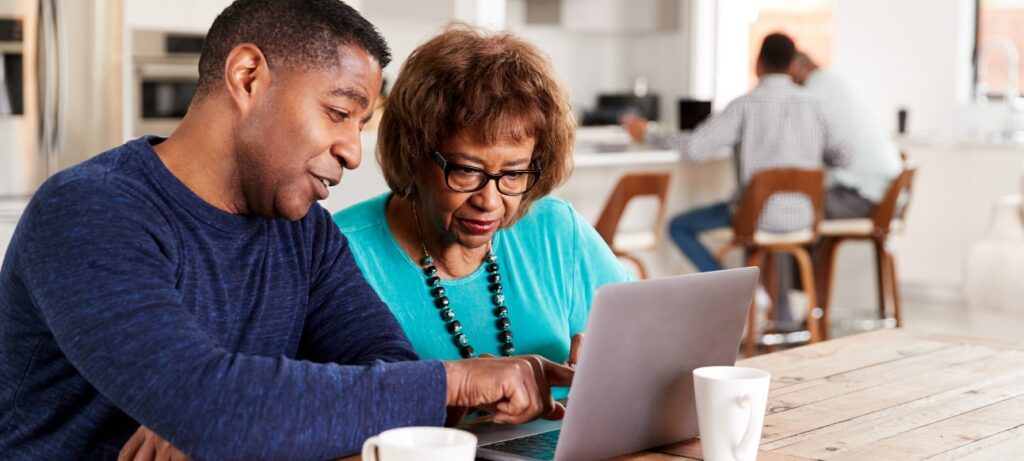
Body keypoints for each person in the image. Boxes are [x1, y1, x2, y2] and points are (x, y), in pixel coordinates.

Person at [0, 1, 572, 459]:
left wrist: (254, 416)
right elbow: (207, 405)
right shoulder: (89, 210)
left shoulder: (305, 234)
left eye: (362, 123)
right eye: (338, 112)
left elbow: (393, 373)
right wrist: (453, 381)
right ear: (248, 77)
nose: (352, 152)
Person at [332, 25, 632, 387]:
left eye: (514, 173)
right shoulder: (339, 252)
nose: (489, 201)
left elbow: (650, 339)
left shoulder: (557, 230)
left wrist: (620, 359)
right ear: (414, 154)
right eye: (467, 171)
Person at [622, 33, 850, 321]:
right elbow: (845, 156)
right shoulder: (816, 105)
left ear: (758, 64)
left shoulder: (746, 105)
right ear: (793, 65)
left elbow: (695, 147)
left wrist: (649, 132)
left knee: (680, 226)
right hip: (804, 219)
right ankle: (784, 321)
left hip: (756, 218)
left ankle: (735, 290)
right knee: (772, 236)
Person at [789, 52, 903, 219]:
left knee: (789, 212)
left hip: (866, 197)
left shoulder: (815, 89)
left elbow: (805, 148)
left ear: (797, 67)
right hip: (883, 193)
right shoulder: (833, 82)